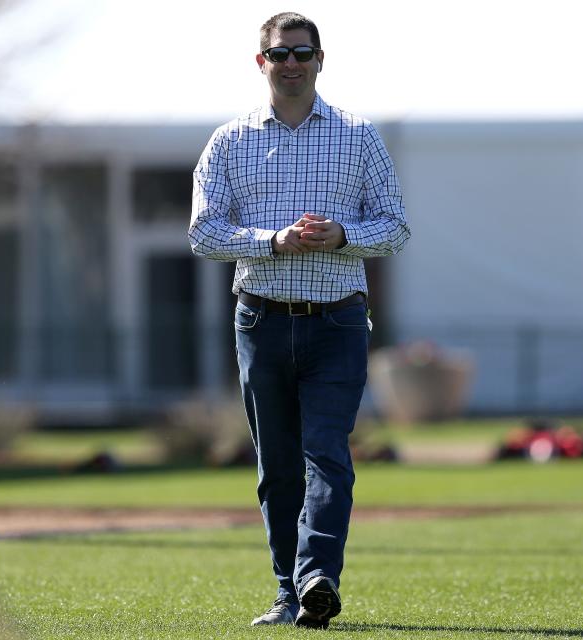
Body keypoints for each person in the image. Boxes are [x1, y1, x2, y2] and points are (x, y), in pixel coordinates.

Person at [188, 11, 411, 629]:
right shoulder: (230, 141)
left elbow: (395, 229)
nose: (291, 64)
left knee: (326, 452)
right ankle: (288, 591)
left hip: (337, 323)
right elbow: (204, 233)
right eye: (279, 54)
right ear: (261, 63)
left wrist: (341, 235)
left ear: (321, 60)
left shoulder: (358, 136)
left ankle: (318, 578)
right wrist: (274, 240)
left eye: (302, 53)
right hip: (260, 321)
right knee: (278, 464)